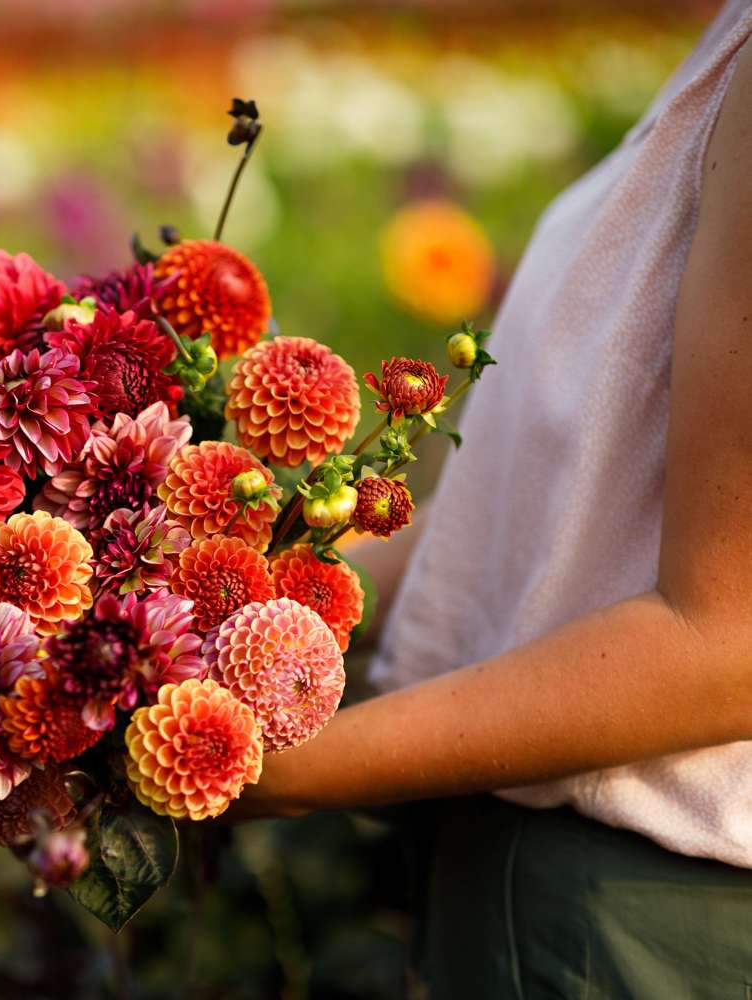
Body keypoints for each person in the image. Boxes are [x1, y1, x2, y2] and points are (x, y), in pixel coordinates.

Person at [227, 2, 752, 996]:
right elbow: (570, 525)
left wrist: (273, 766)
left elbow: (731, 638)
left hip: (632, 917)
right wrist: (223, 595)